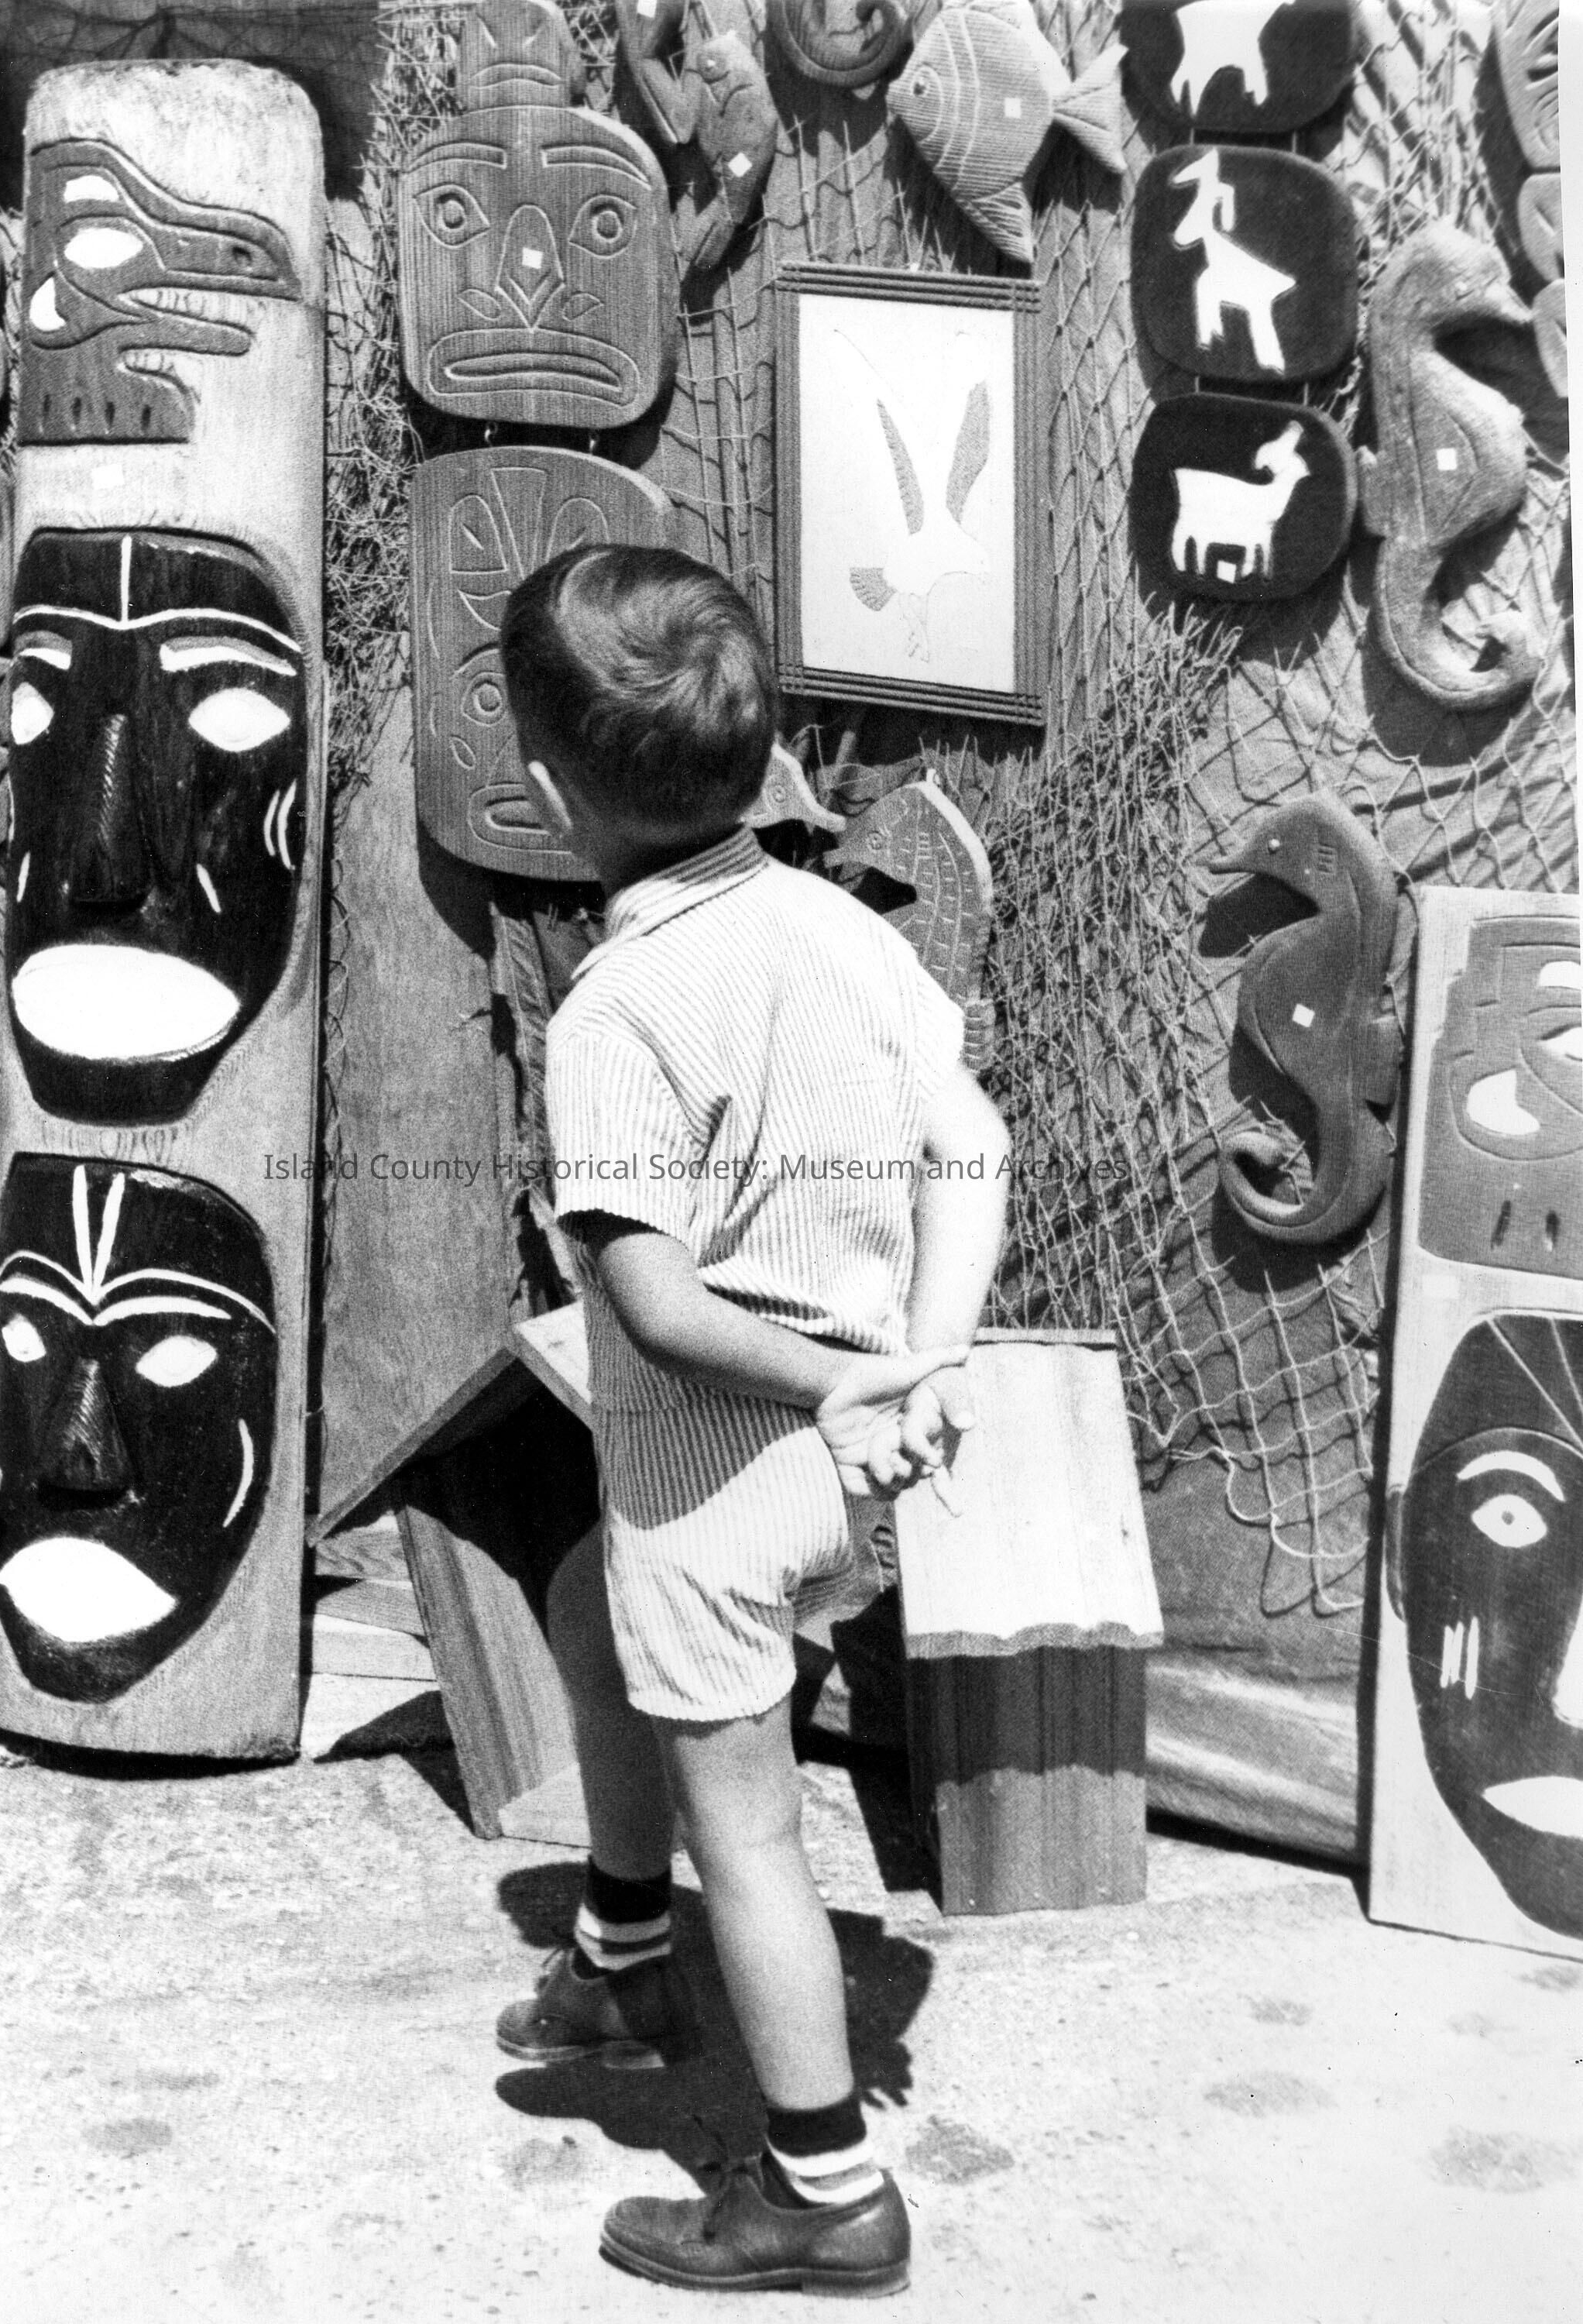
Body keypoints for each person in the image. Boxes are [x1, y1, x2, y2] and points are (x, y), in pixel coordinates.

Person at [493, 544, 1011, 2297]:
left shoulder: (617, 1009)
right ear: (763, 754)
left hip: (718, 1475)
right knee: (589, 1609)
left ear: (549, 790)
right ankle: (620, 1955)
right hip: (844, 1463)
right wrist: (915, 1363)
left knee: (756, 1830)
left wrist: (835, 1378)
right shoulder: (845, 932)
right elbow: (969, 1143)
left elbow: (654, 1304)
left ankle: (821, 2186)